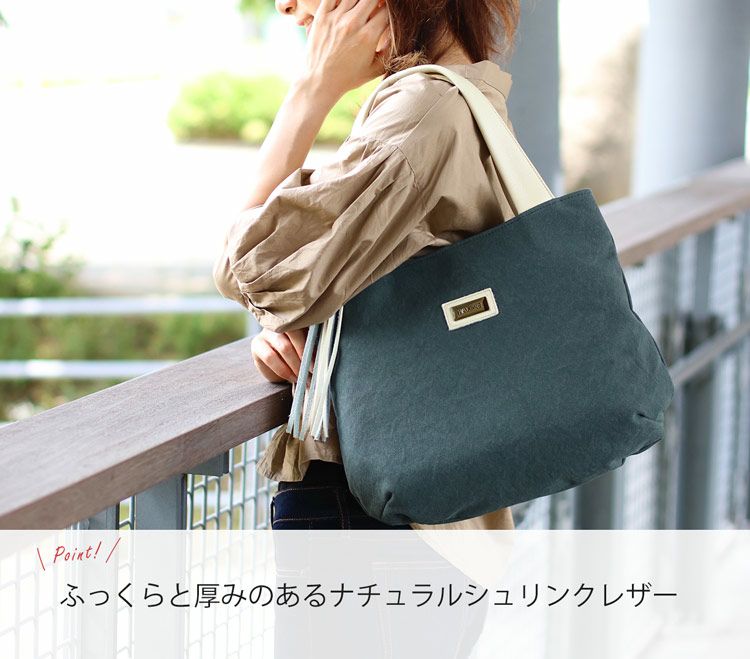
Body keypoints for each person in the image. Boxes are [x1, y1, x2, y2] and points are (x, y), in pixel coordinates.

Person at [213, 0, 520, 533]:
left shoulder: (422, 110)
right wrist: (297, 324)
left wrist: (311, 91)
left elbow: (244, 268)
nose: (284, 6)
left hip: (368, 505)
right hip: (435, 500)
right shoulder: (469, 93)